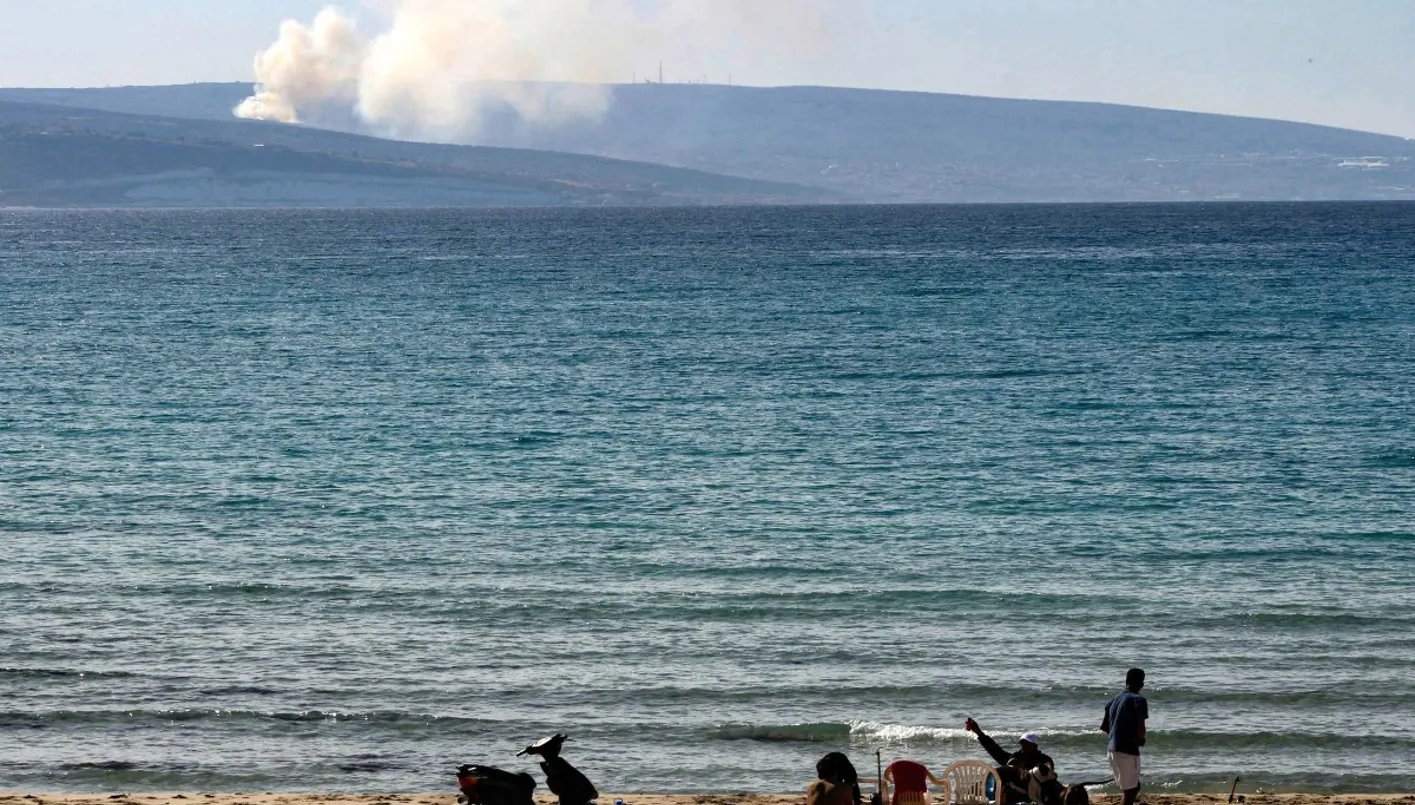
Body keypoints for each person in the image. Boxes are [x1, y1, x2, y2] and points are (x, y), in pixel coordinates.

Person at [964, 718, 1060, 805]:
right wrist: (978, 732)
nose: (1023, 747)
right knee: (984, 784)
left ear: (1035, 746)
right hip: (1011, 792)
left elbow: (1050, 778)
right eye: (1022, 744)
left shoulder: (1044, 760)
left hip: (1032, 795)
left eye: (1027, 744)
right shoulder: (1016, 758)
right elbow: (995, 751)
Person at [1100, 668, 1149, 805]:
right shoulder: (1139, 700)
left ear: (1126, 681)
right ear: (1142, 683)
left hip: (1112, 750)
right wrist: (1141, 739)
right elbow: (1140, 726)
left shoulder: (1113, 700)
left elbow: (1104, 727)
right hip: (1127, 751)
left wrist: (1118, 734)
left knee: (1133, 787)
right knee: (1130, 792)